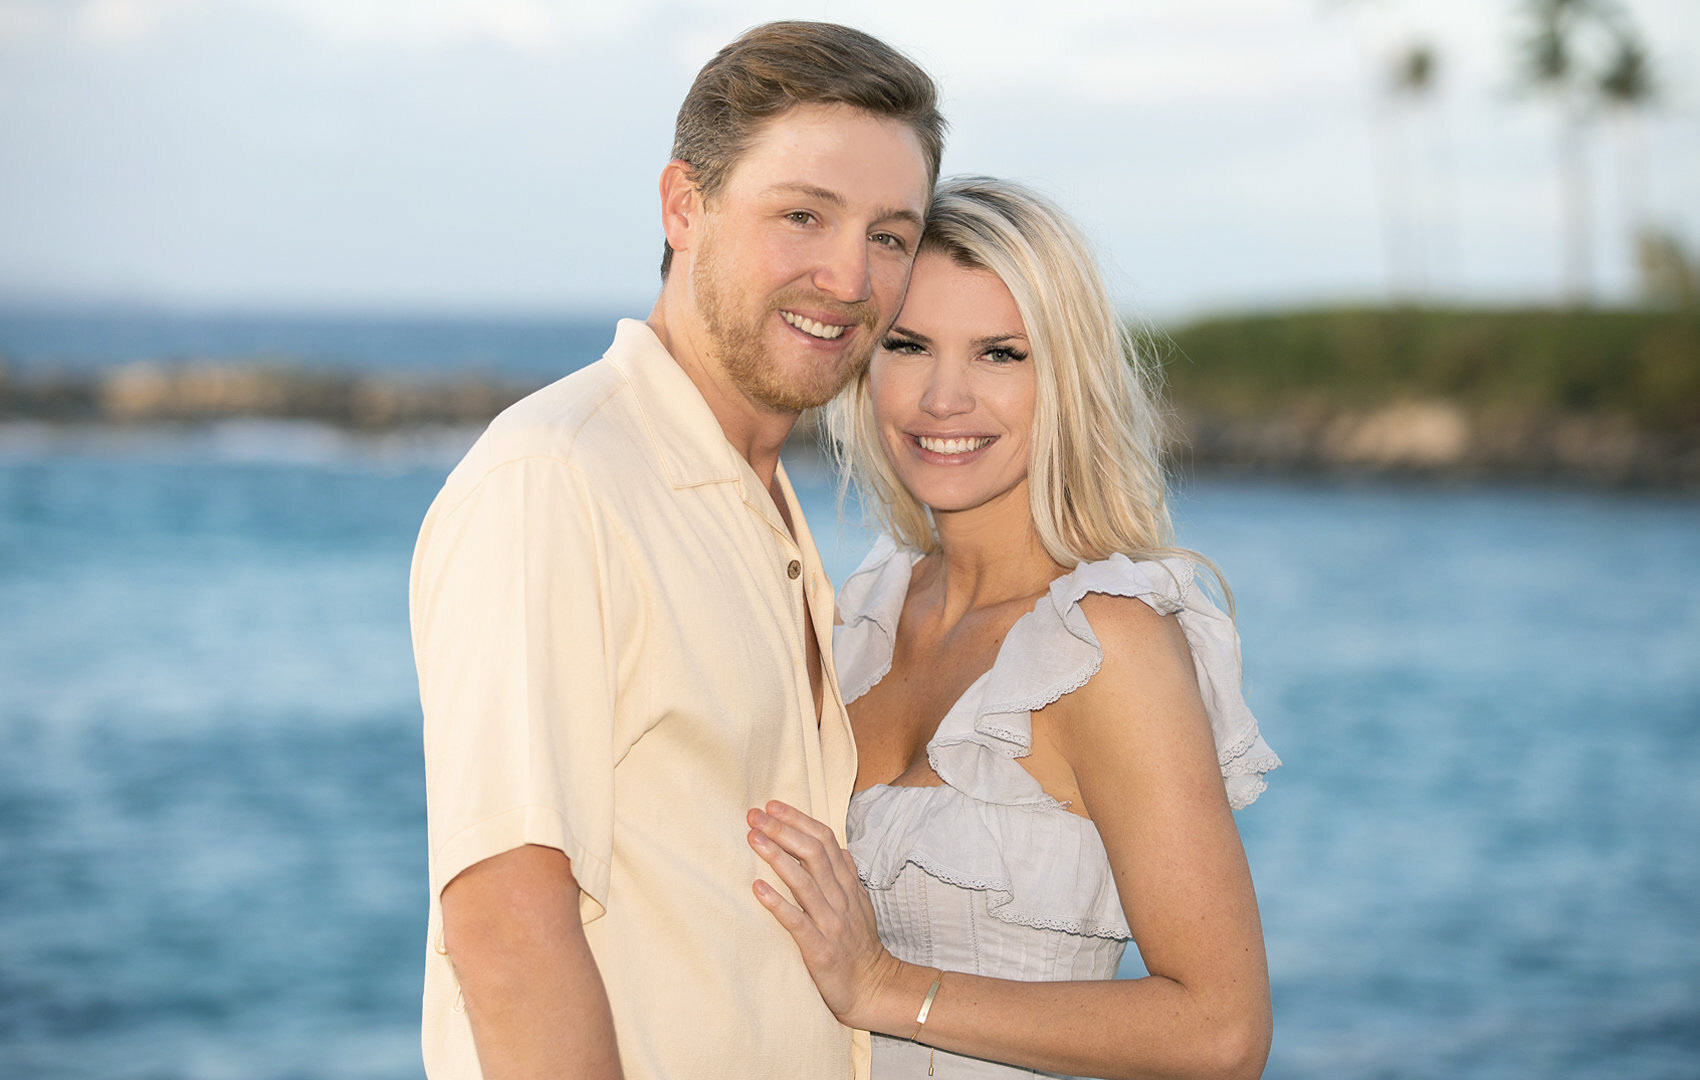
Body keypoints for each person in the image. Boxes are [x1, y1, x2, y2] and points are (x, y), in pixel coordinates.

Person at [409, 22, 944, 1080]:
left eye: (890, 234)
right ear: (683, 207)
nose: (848, 277)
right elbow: (507, 928)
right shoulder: (558, 480)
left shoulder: (761, 509)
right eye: (802, 215)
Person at [746, 177, 1281, 1080]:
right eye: (909, 345)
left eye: (1000, 354)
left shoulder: (1104, 646)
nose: (943, 398)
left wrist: (884, 986)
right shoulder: (865, 618)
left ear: (1065, 378)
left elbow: (1223, 1034)